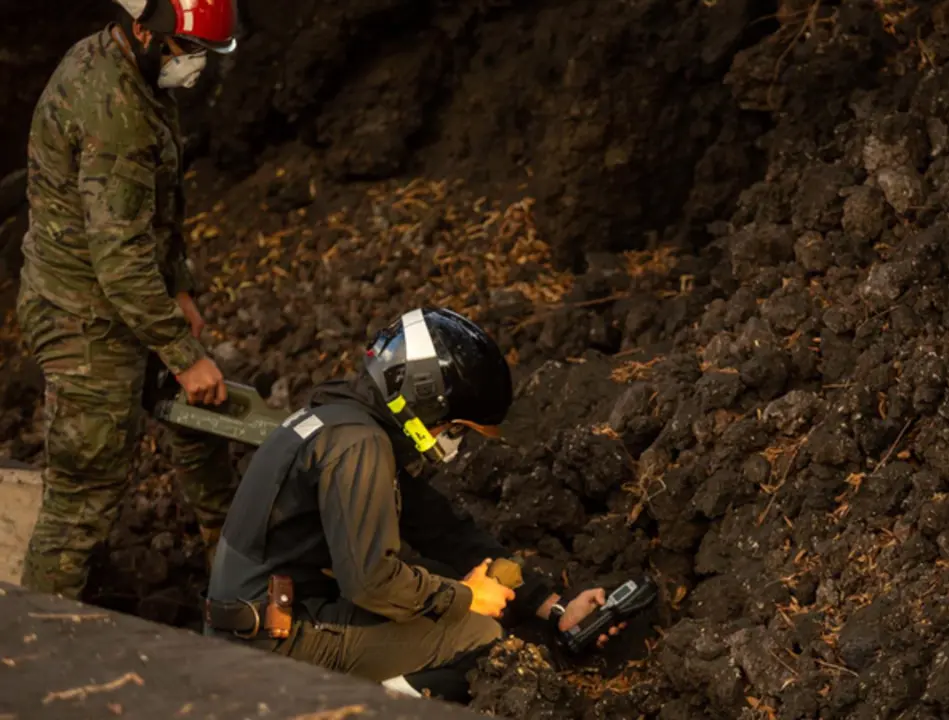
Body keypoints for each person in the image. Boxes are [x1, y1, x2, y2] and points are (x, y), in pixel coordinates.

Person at [202, 307, 624, 703]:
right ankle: (362, 709)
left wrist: (555, 608)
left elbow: (443, 530)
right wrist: (464, 598)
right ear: (424, 396)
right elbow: (370, 583)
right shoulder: (358, 445)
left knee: (440, 578)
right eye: (456, 426)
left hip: (262, 620)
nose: (453, 440)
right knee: (483, 641)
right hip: (272, 645)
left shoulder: (342, 419)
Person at [17, 0, 241, 598]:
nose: (194, 67)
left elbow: (157, 209)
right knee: (84, 491)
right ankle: (40, 642)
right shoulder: (111, 109)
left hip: (125, 296)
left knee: (201, 422)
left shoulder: (136, 75)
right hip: (82, 316)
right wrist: (181, 351)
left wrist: (182, 288)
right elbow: (119, 257)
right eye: (186, 51)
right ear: (142, 29)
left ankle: (236, 570)